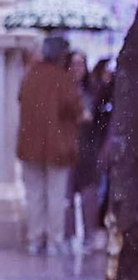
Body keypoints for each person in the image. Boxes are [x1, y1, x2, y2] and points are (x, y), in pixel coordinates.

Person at [15, 35, 83, 254]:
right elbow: (74, 107)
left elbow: (21, 99)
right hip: (58, 145)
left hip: (29, 144)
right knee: (55, 194)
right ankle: (54, 240)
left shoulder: (30, 76)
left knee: (34, 194)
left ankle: (35, 238)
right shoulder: (63, 79)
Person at [67, 52, 109, 251]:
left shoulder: (94, 91)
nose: (77, 69)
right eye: (73, 64)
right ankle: (68, 237)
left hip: (88, 149)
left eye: (80, 64)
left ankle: (89, 235)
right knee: (66, 195)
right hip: (67, 148)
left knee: (89, 194)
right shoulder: (62, 90)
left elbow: (99, 120)